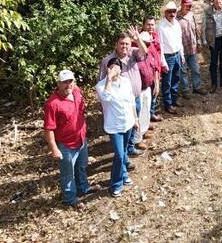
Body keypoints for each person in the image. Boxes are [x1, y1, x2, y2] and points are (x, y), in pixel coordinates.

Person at [43, 69, 90, 208]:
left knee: (81, 166)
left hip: (81, 139)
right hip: (66, 145)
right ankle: (69, 199)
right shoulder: (53, 104)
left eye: (70, 81)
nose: (68, 84)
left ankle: (83, 188)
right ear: (58, 84)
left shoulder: (76, 92)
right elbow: (49, 128)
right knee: (67, 174)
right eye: (64, 82)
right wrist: (54, 149)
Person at [99, 27, 146, 157]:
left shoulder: (133, 53)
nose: (124, 46)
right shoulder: (108, 61)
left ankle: (130, 148)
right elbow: (102, 82)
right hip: (118, 104)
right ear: (116, 44)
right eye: (122, 43)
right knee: (123, 127)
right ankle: (123, 156)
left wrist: (138, 39)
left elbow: (144, 52)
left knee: (132, 126)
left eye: (127, 43)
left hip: (135, 98)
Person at [96, 58, 139, 197]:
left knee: (124, 152)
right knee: (119, 155)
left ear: (121, 69)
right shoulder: (101, 85)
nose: (115, 70)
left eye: (118, 67)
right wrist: (108, 79)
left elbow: (131, 100)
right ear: (108, 69)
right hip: (114, 126)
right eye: (112, 67)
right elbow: (106, 98)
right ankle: (116, 184)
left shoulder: (125, 82)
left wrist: (135, 119)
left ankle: (124, 174)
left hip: (128, 123)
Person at [135, 30, 162, 147]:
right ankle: (137, 139)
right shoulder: (135, 54)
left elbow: (155, 67)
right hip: (138, 90)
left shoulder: (150, 52)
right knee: (138, 113)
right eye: (144, 42)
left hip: (147, 88)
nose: (146, 44)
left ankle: (144, 131)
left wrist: (156, 82)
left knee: (146, 111)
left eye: (147, 42)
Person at [157, 1, 184, 114]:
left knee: (176, 79)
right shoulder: (161, 27)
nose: (172, 14)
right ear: (165, 13)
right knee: (167, 82)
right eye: (170, 12)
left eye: (174, 11)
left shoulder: (176, 24)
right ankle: (168, 104)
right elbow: (160, 46)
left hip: (177, 54)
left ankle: (174, 99)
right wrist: (163, 62)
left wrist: (181, 55)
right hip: (168, 57)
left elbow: (179, 40)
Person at [179, 0, 207, 97]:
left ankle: (197, 87)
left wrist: (199, 42)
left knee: (196, 69)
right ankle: (185, 90)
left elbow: (196, 30)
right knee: (183, 71)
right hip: (182, 49)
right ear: (182, 5)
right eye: (187, 5)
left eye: (190, 6)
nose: (188, 7)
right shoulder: (176, 17)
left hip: (192, 48)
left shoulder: (191, 15)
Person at [141, 16, 167, 123]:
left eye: (152, 24)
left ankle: (151, 114)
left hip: (156, 70)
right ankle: (144, 121)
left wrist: (163, 64)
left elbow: (159, 53)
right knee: (145, 98)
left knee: (154, 92)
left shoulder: (155, 36)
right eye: (148, 24)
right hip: (146, 73)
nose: (150, 27)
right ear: (143, 25)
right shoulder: (142, 39)